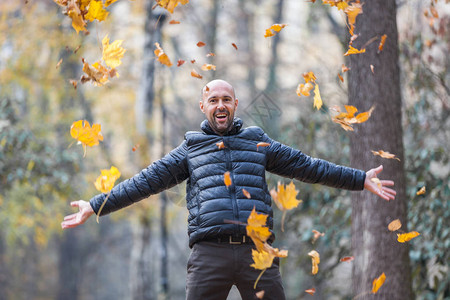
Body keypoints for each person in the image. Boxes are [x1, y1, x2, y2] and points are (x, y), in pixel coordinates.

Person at [62, 79, 396, 300]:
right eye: (213, 100)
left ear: (235, 104)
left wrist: (360, 178)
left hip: (257, 251)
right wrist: (96, 205)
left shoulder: (258, 142)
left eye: (226, 99)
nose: (220, 105)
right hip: (210, 254)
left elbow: (307, 166)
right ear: (203, 106)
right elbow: (144, 182)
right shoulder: (190, 150)